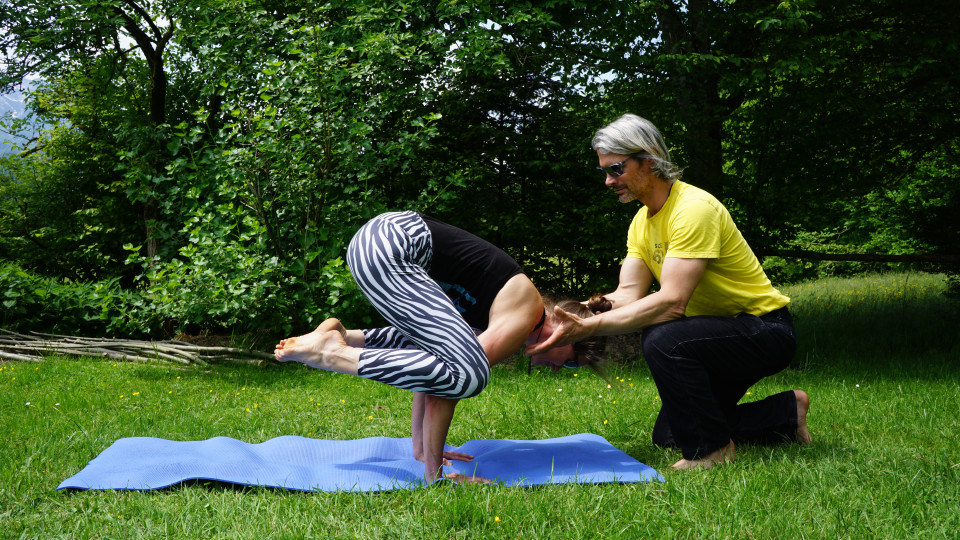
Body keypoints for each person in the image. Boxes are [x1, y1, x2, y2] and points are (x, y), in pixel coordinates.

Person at [528, 114, 811, 470]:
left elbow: (673, 302)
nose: (607, 181)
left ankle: (712, 452)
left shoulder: (693, 210)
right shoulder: (641, 222)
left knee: (664, 337)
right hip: (714, 337)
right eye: (605, 171)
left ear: (648, 159)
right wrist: (569, 313)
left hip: (764, 331)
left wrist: (591, 328)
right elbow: (628, 293)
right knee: (670, 434)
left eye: (616, 169)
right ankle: (785, 412)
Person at [275, 211, 604, 483]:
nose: (561, 369)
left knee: (447, 358)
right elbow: (449, 385)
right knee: (468, 373)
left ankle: (344, 336)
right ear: (565, 328)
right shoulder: (524, 313)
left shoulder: (500, 311)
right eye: (572, 362)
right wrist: (436, 474)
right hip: (394, 244)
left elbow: (435, 366)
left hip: (374, 242)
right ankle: (334, 352)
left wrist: (421, 450)